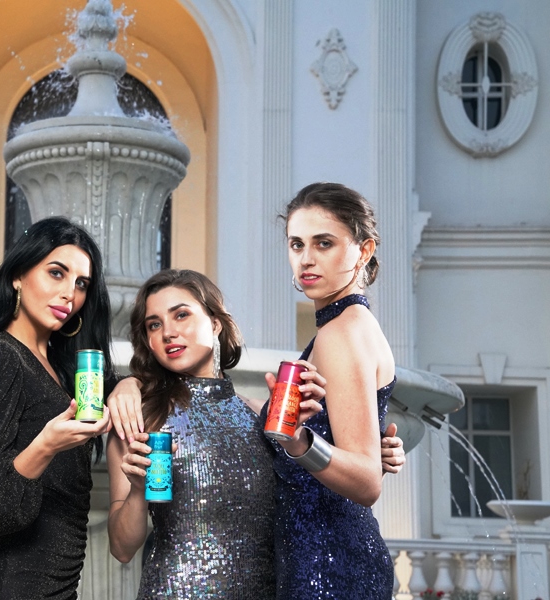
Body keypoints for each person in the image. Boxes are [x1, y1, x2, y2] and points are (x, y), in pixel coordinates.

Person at [105, 269, 325, 599]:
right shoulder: (139, 419)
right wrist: (138, 491)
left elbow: (315, 498)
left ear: (215, 323)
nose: (168, 332)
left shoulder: (260, 415)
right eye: (154, 324)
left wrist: (369, 453)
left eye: (181, 315)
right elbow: (122, 549)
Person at [0, 217, 114, 600]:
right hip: (6, 587)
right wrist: (45, 445)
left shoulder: (63, 370)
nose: (69, 293)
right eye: (56, 273)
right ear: (18, 275)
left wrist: (128, 386)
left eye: (81, 284)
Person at [269, 181, 397, 598]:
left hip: (326, 565)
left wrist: (299, 442)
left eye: (323, 243)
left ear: (364, 250)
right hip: (330, 557)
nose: (306, 259)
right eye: (297, 244)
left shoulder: (341, 333)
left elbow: (367, 481)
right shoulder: (352, 325)